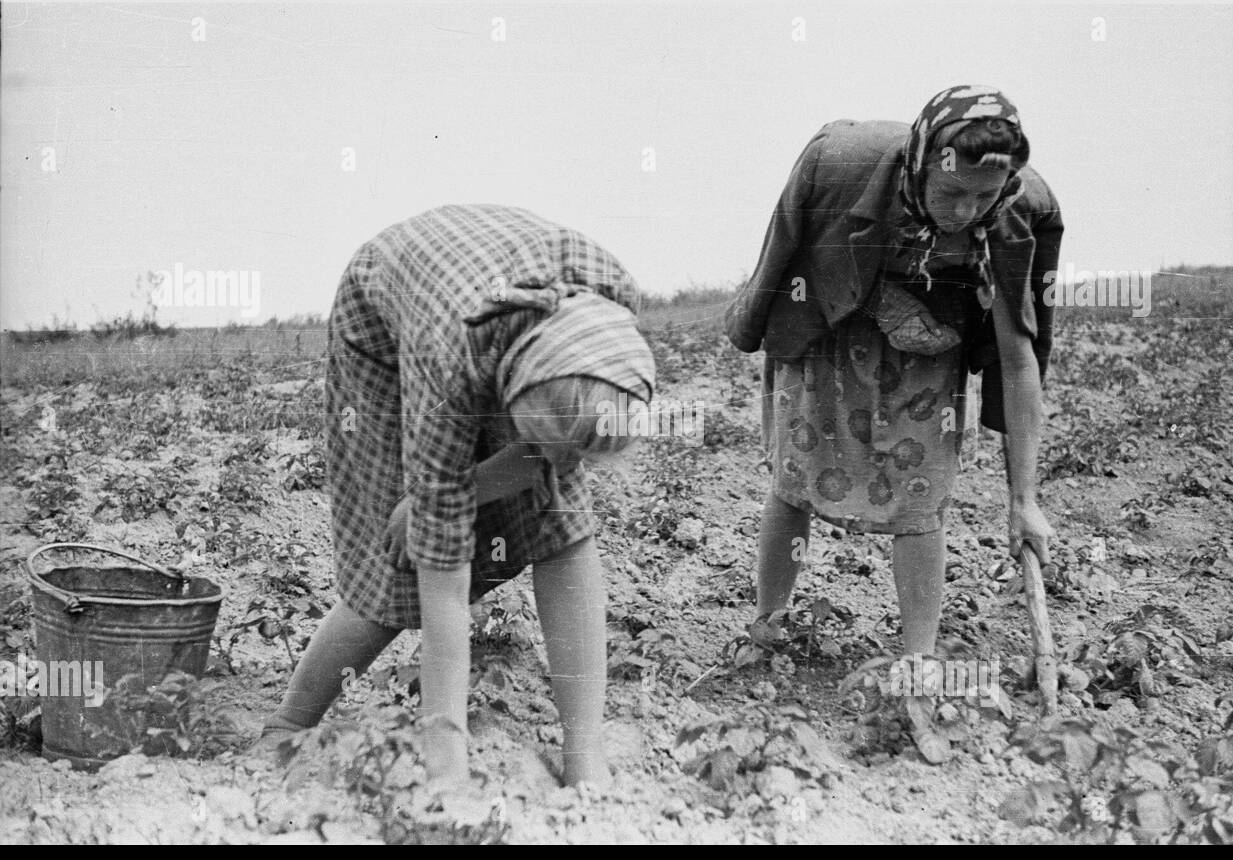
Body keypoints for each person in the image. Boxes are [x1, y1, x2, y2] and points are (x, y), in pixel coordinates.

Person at [256, 204, 655, 788]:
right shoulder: (447, 361)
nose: (561, 462)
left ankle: (585, 751)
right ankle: (288, 723)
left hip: (498, 306)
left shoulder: (606, 309)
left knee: (562, 524)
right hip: (388, 321)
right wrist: (447, 773)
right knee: (398, 555)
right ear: (509, 392)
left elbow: (551, 458)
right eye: (537, 442)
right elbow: (444, 593)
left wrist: (541, 458)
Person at [725, 86, 1062, 761]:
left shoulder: (1018, 214)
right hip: (830, 319)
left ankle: (920, 662)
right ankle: (769, 625)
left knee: (921, 496)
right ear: (923, 164)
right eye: (952, 195)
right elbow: (782, 249)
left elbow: (1018, 356)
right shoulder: (840, 162)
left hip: (927, 344)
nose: (966, 211)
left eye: (981, 198)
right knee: (796, 477)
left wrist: (1024, 500)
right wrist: (758, 324)